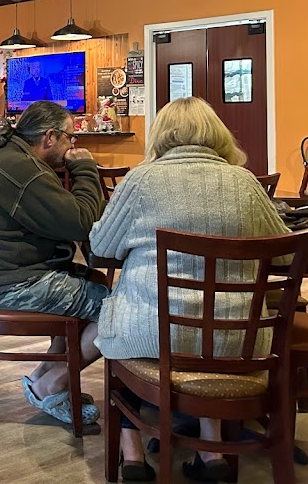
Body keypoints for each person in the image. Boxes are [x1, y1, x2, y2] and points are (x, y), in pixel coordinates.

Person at [90, 97, 291, 482]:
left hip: (152, 334)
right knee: (202, 335)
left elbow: (102, 246)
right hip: (238, 341)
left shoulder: (141, 180)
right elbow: (283, 250)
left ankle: (132, 455)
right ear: (217, 133)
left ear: (161, 135)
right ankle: (211, 450)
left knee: (127, 326)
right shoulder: (245, 182)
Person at [0, 100, 105, 427]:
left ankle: (47, 376)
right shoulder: (22, 170)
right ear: (50, 137)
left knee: (93, 282)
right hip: (12, 285)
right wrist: (85, 167)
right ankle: (53, 383)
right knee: (118, 310)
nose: (72, 145)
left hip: (0, 275)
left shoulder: (9, 156)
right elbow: (82, 222)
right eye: (70, 138)